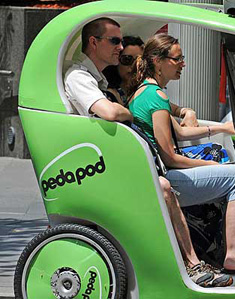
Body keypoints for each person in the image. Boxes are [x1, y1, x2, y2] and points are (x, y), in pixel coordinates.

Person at [64, 18, 224, 287]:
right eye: (115, 41)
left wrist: (186, 111)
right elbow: (110, 112)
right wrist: (128, 116)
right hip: (101, 166)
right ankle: (194, 265)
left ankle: (198, 259)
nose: (120, 47)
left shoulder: (101, 80)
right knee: (163, 186)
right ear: (94, 42)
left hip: (118, 160)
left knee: (180, 175)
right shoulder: (79, 76)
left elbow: (160, 111)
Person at [128, 33, 235, 275]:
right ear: (157, 61)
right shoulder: (156, 97)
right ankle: (233, 254)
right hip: (167, 180)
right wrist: (206, 163)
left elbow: (181, 133)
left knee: (228, 169)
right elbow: (170, 157)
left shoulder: (145, 92)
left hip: (161, 175)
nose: (183, 63)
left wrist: (221, 127)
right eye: (177, 59)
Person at [103, 35, 199, 127]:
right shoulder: (111, 95)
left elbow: (174, 109)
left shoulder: (145, 90)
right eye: (127, 59)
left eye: (139, 60)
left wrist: (189, 112)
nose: (134, 65)